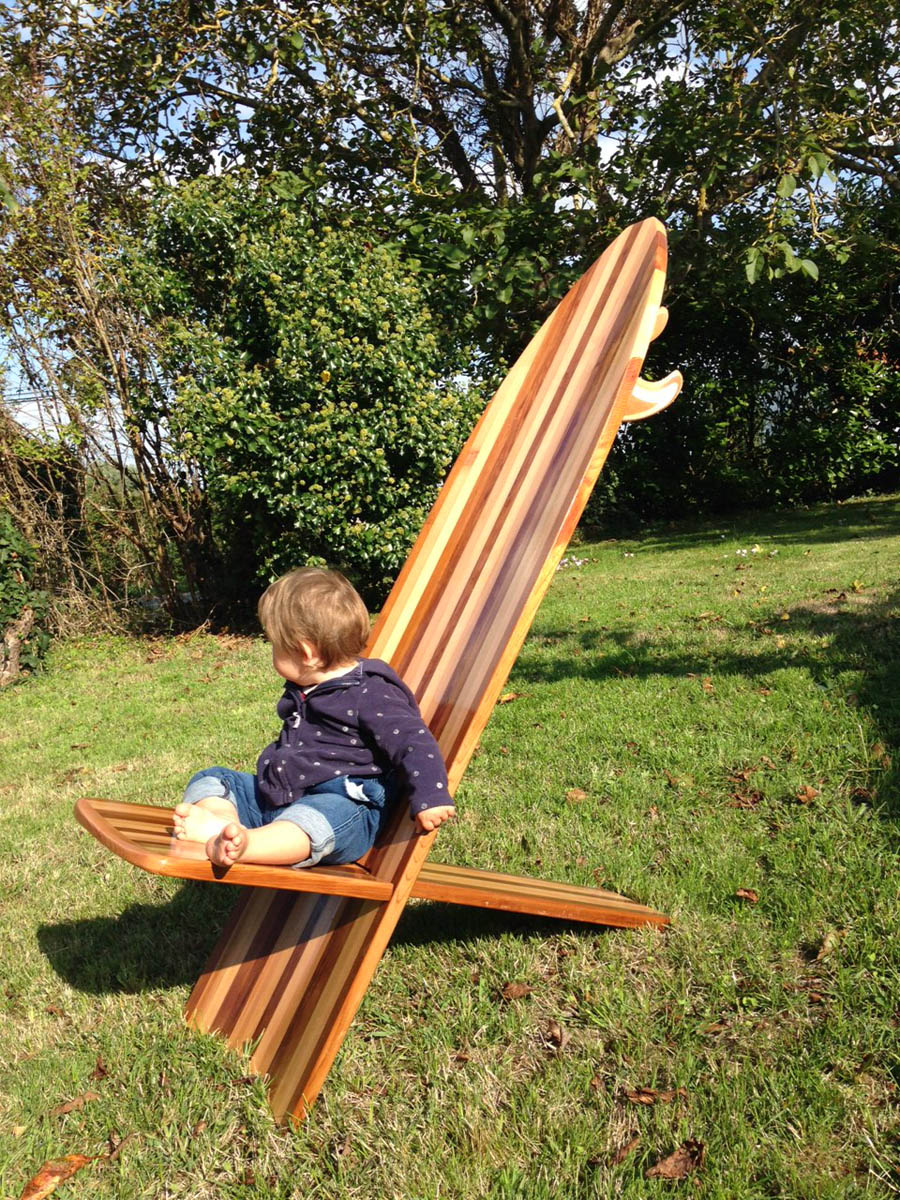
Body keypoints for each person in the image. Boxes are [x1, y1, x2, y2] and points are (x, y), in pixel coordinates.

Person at [172, 567, 455, 868]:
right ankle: (223, 824)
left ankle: (247, 846)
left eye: (275, 645)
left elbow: (413, 739)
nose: (272, 652)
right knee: (214, 778)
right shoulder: (307, 687)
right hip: (279, 798)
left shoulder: (371, 692)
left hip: (342, 806)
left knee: (315, 821)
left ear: (306, 653)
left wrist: (431, 796)